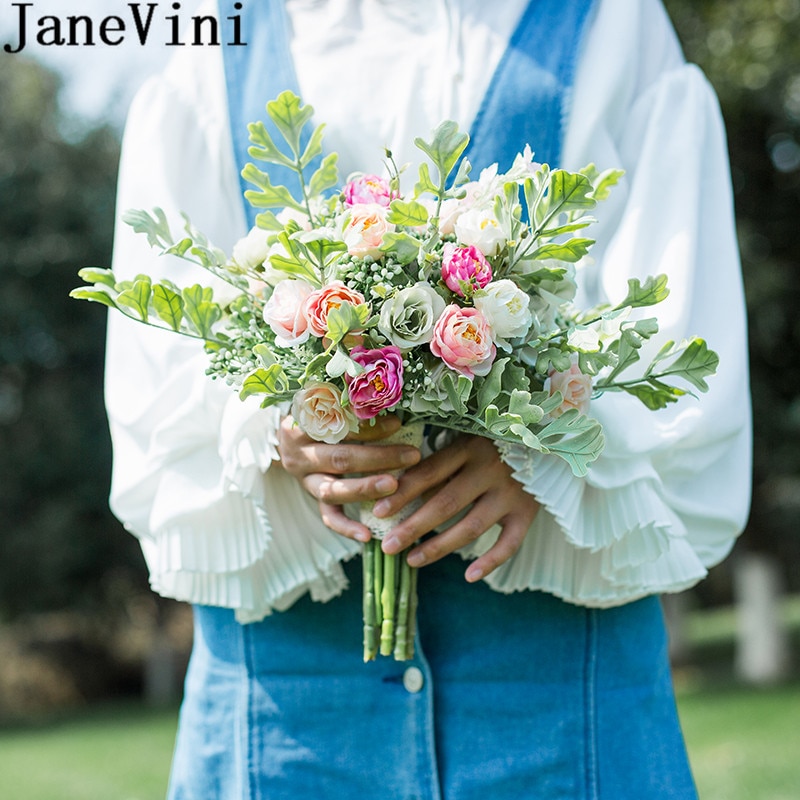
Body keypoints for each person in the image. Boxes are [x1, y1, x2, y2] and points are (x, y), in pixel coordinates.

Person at [105, 0, 751, 797]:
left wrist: (543, 455)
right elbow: (156, 356)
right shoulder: (215, 44)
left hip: (560, 716)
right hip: (287, 730)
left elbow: (678, 335)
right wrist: (278, 425)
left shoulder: (613, 21)